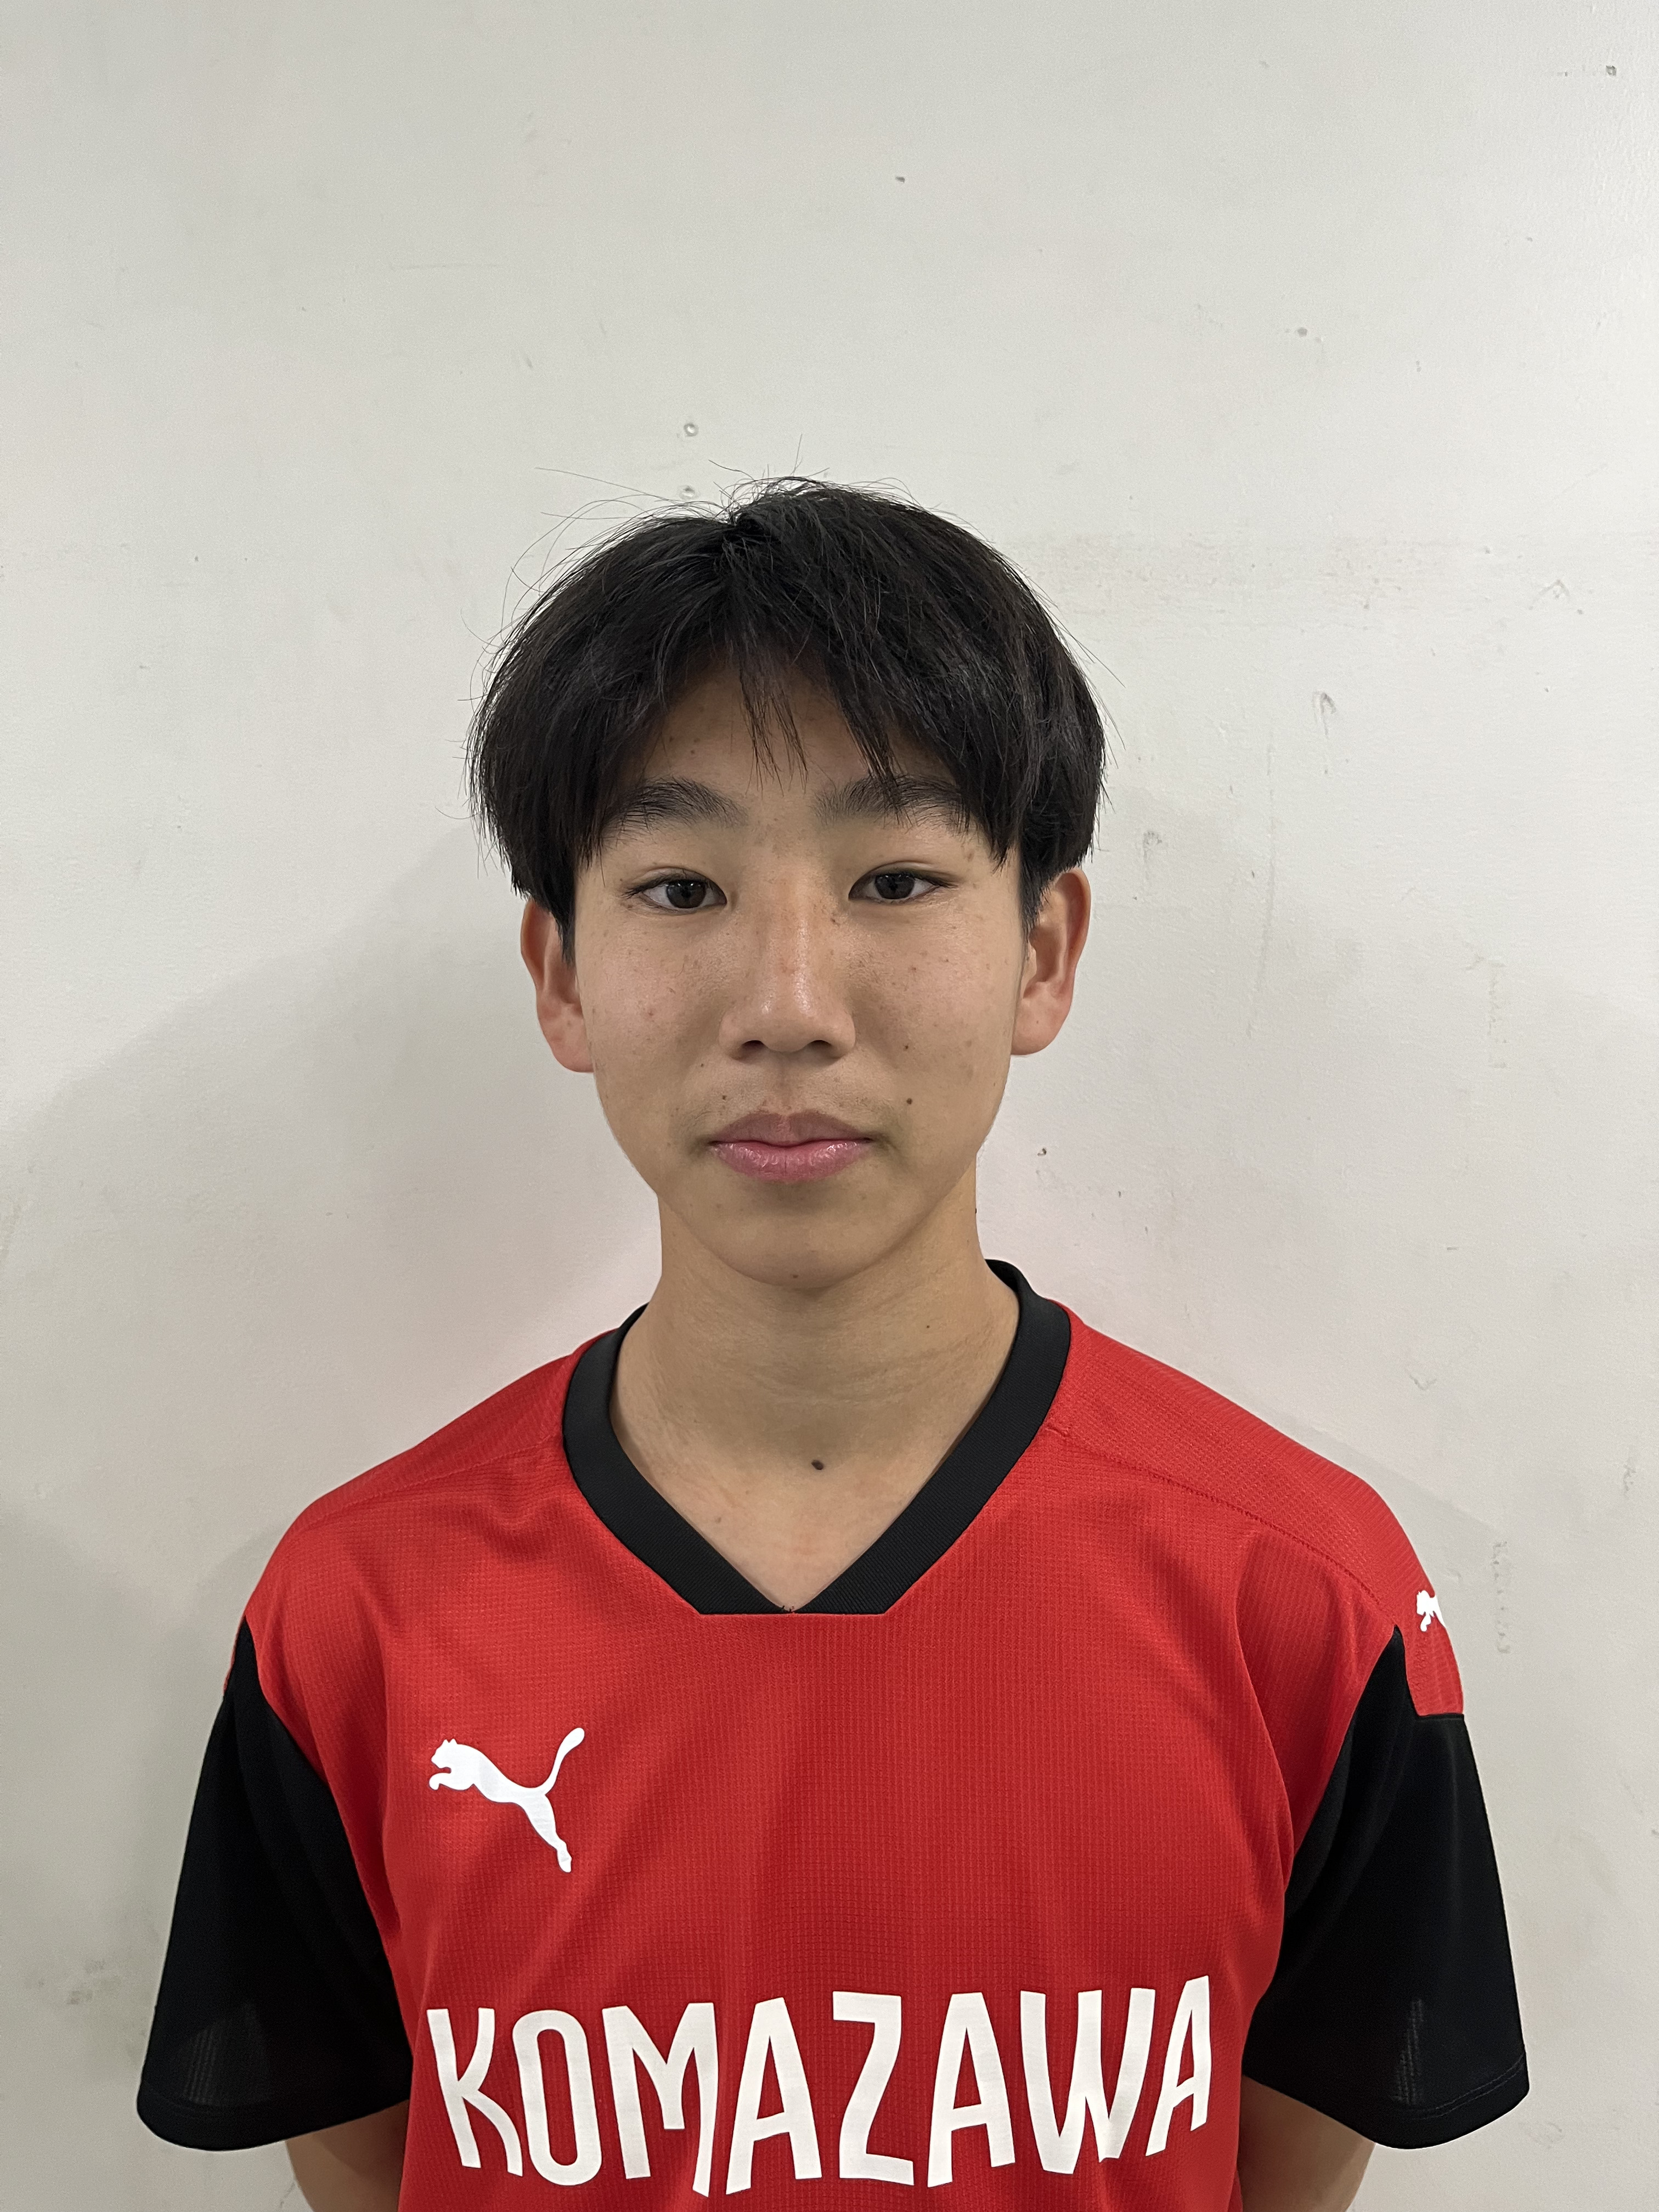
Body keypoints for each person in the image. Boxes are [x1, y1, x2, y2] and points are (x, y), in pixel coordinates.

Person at [137, 482, 1526, 2211]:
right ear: (560, 974)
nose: (788, 1003)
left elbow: (1282, 2160)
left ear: (1043, 951)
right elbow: (366, 2151)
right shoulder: (355, 1616)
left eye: (896, 879)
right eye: (679, 886)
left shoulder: (1305, 1599)